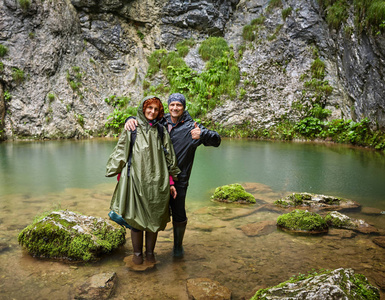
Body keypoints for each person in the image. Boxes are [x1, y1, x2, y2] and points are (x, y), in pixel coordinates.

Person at [125, 93, 221, 258]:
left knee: (178, 212)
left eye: (179, 105)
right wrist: (129, 118)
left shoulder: (193, 126)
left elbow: (217, 140)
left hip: (179, 179)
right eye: (172, 105)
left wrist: (203, 135)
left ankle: (177, 247)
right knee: (147, 209)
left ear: (184, 108)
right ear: (168, 106)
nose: (175, 108)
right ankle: (145, 251)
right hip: (156, 178)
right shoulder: (161, 121)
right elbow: (145, 117)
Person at [106, 96, 180, 265]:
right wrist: (115, 172)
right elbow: (120, 152)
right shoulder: (132, 129)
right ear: (143, 108)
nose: (152, 112)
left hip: (158, 182)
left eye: (156, 109)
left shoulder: (161, 131)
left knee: (154, 216)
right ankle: (137, 254)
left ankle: (150, 254)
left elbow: (170, 158)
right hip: (135, 180)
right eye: (149, 108)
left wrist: (171, 181)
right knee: (136, 218)